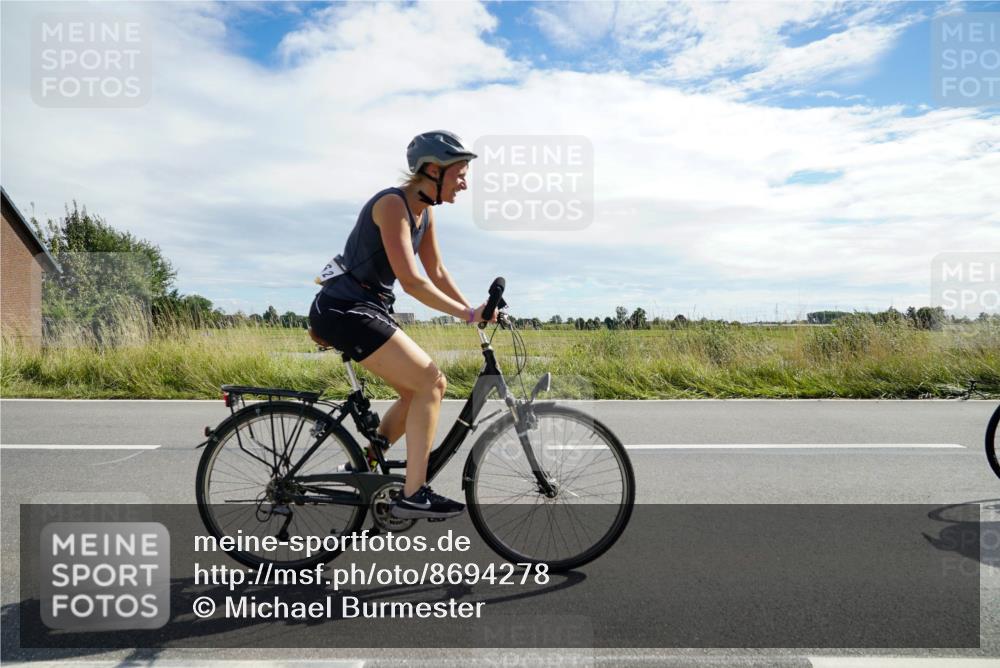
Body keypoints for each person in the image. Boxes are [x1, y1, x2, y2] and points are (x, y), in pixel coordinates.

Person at [308, 130, 495, 520]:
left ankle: (364, 463)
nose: (464, 183)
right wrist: (466, 314)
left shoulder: (426, 213)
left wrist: (472, 310)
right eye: (459, 173)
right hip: (345, 308)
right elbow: (411, 281)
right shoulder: (392, 204)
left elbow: (437, 271)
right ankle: (414, 492)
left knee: (416, 392)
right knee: (432, 381)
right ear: (431, 170)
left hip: (367, 308)